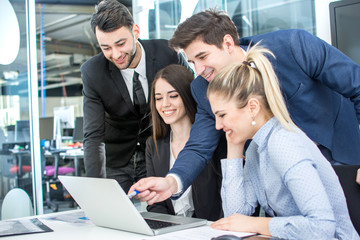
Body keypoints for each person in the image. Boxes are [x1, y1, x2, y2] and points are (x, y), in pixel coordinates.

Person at [130, 9, 360, 205]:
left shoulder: (294, 46)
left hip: (342, 162)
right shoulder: (203, 89)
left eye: (203, 57)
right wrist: (171, 182)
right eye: (192, 62)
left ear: (228, 43)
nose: (198, 70)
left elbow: (357, 86)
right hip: (281, 185)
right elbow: (199, 146)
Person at [207, 44, 359, 239]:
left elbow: (321, 227)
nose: (218, 126)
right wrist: (234, 148)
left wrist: (256, 223)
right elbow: (235, 218)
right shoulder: (256, 148)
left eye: (222, 115)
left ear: (252, 107)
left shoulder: (283, 143)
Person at [81, 0, 185, 193]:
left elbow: (191, 105)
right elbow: (93, 136)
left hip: (157, 152)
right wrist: (95, 188)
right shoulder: (92, 72)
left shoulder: (168, 54)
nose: (116, 54)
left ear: (135, 31)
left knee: (162, 215)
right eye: (106, 48)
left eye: (121, 43)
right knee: (114, 217)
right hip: (116, 159)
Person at [146, 64, 222, 220]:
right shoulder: (153, 145)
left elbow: (224, 199)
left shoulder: (213, 140)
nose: (165, 104)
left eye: (173, 96)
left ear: (187, 96)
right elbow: (155, 204)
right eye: (158, 98)